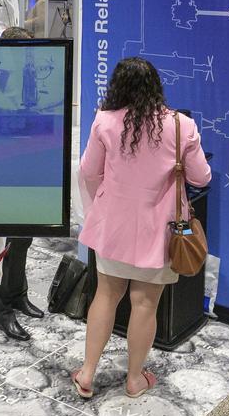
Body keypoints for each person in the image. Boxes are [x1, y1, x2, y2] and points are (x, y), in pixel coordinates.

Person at [74, 58, 212, 398]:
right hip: (160, 231)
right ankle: (134, 379)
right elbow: (201, 177)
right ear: (156, 87)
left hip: (113, 227)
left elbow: (89, 171)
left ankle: (87, 373)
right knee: (145, 304)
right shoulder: (181, 126)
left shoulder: (104, 120)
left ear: (117, 87)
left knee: (106, 295)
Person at [0, 26, 45, 339]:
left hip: (27, 158)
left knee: (24, 235)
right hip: (2, 163)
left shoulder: (27, 75)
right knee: (2, 243)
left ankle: (17, 294)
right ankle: (1, 312)